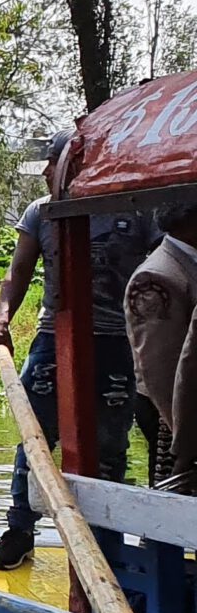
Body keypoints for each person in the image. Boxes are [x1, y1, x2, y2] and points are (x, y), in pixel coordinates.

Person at [0, 129, 161, 569]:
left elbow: (163, 268)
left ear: (77, 167)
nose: (45, 171)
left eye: (53, 162)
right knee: (36, 439)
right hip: (53, 342)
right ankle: (20, 530)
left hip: (116, 344)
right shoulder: (41, 214)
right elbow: (18, 272)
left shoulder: (132, 213)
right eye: (46, 163)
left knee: (109, 445)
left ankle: (105, 542)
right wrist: (1, 321)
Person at [127, 205, 197, 493]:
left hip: (183, 408)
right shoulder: (157, 276)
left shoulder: (183, 264)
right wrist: (185, 439)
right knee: (171, 494)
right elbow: (158, 366)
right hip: (169, 412)